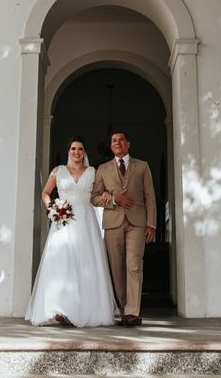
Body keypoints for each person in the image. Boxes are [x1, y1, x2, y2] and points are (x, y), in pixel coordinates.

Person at [25, 136, 117, 327]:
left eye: (80, 149)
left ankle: (85, 308)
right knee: (62, 262)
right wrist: (52, 209)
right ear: (69, 151)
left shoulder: (92, 171)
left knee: (86, 262)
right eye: (73, 149)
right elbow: (45, 193)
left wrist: (107, 194)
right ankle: (60, 308)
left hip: (86, 220)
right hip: (63, 221)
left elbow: (100, 192)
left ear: (85, 152)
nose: (77, 152)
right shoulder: (58, 171)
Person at [91, 131, 156, 327]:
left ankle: (132, 312)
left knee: (134, 265)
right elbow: (93, 197)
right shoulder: (102, 169)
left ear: (128, 144)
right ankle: (123, 307)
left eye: (121, 140)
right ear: (111, 146)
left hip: (137, 223)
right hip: (113, 223)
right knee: (117, 268)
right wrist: (112, 199)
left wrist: (151, 224)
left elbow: (150, 197)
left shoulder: (142, 166)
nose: (117, 143)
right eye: (114, 141)